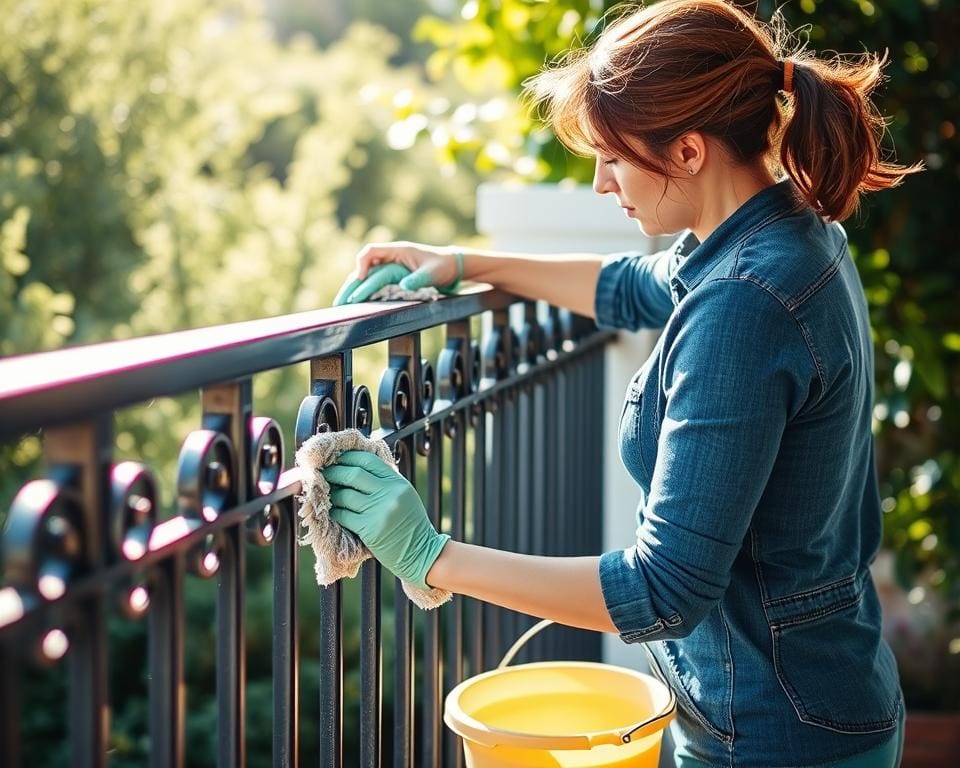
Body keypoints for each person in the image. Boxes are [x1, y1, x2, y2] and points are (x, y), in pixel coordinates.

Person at [324, 1, 922, 765]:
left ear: (690, 151)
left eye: (613, 156)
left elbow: (662, 590)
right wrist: (469, 264)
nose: (602, 183)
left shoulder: (747, 302)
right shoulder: (784, 232)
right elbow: (638, 287)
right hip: (817, 698)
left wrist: (427, 553)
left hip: (775, 734)